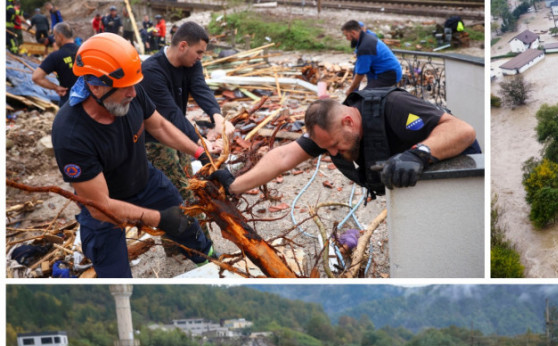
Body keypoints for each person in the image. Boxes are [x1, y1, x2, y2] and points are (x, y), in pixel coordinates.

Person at [52, 33, 216, 278]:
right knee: (113, 270)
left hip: (145, 179)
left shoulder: (130, 88)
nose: (133, 93)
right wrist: (159, 218)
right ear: (95, 86)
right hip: (104, 203)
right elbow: (100, 206)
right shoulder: (71, 133)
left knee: (188, 226)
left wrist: (200, 153)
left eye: (133, 84)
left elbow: (159, 126)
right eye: (125, 88)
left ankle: (212, 264)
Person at [209, 89, 478, 201]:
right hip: (420, 187)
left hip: (463, 174)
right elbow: (283, 157)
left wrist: (419, 153)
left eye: (335, 145)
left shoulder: (396, 108)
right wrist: (234, 185)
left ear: (348, 122)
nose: (334, 154)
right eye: (328, 150)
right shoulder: (328, 134)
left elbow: (462, 131)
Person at [141, 21, 228, 201]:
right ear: (183, 46)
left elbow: (200, 88)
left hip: (178, 134)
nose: (200, 58)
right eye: (199, 52)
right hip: (156, 142)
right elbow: (171, 113)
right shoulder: (152, 71)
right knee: (180, 194)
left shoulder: (191, 64)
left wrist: (218, 118)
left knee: (189, 182)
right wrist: (200, 142)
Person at [341, 19, 402, 96]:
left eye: (347, 35)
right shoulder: (366, 38)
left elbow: (360, 73)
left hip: (389, 74)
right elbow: (358, 68)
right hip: (382, 71)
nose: (347, 39)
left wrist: (350, 90)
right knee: (367, 93)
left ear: (353, 33)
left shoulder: (365, 47)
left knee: (365, 97)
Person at [32, 22, 77, 106]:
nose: (54, 38)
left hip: (68, 102)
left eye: (55, 35)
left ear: (60, 36)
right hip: (89, 102)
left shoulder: (56, 56)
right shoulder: (84, 51)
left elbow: (36, 77)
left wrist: (56, 87)